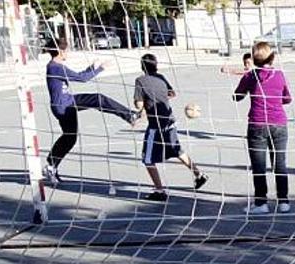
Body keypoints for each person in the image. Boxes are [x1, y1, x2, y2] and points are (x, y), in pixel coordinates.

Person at [43, 39, 141, 184]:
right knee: (71, 134)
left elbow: (80, 75)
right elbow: (83, 79)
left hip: (68, 102)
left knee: (70, 136)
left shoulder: (56, 66)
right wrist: (101, 68)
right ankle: (130, 116)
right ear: (61, 51)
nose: (68, 53)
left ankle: (51, 165)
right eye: (67, 50)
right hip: (64, 106)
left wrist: (91, 68)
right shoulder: (55, 67)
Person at [134, 54, 208, 201]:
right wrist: (160, 97)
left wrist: (141, 108)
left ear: (142, 67)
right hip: (170, 121)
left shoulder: (140, 81)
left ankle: (159, 191)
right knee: (177, 150)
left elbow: (139, 104)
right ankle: (199, 174)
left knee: (147, 159)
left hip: (156, 125)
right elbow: (172, 93)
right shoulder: (161, 77)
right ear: (156, 65)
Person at [233, 42, 293, 214]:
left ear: (253, 59)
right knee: (280, 163)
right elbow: (287, 99)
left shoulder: (251, 76)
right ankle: (283, 202)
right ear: (272, 57)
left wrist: (243, 90)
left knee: (259, 166)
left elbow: (237, 96)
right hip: (279, 123)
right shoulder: (279, 74)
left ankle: (261, 203)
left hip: (257, 124)